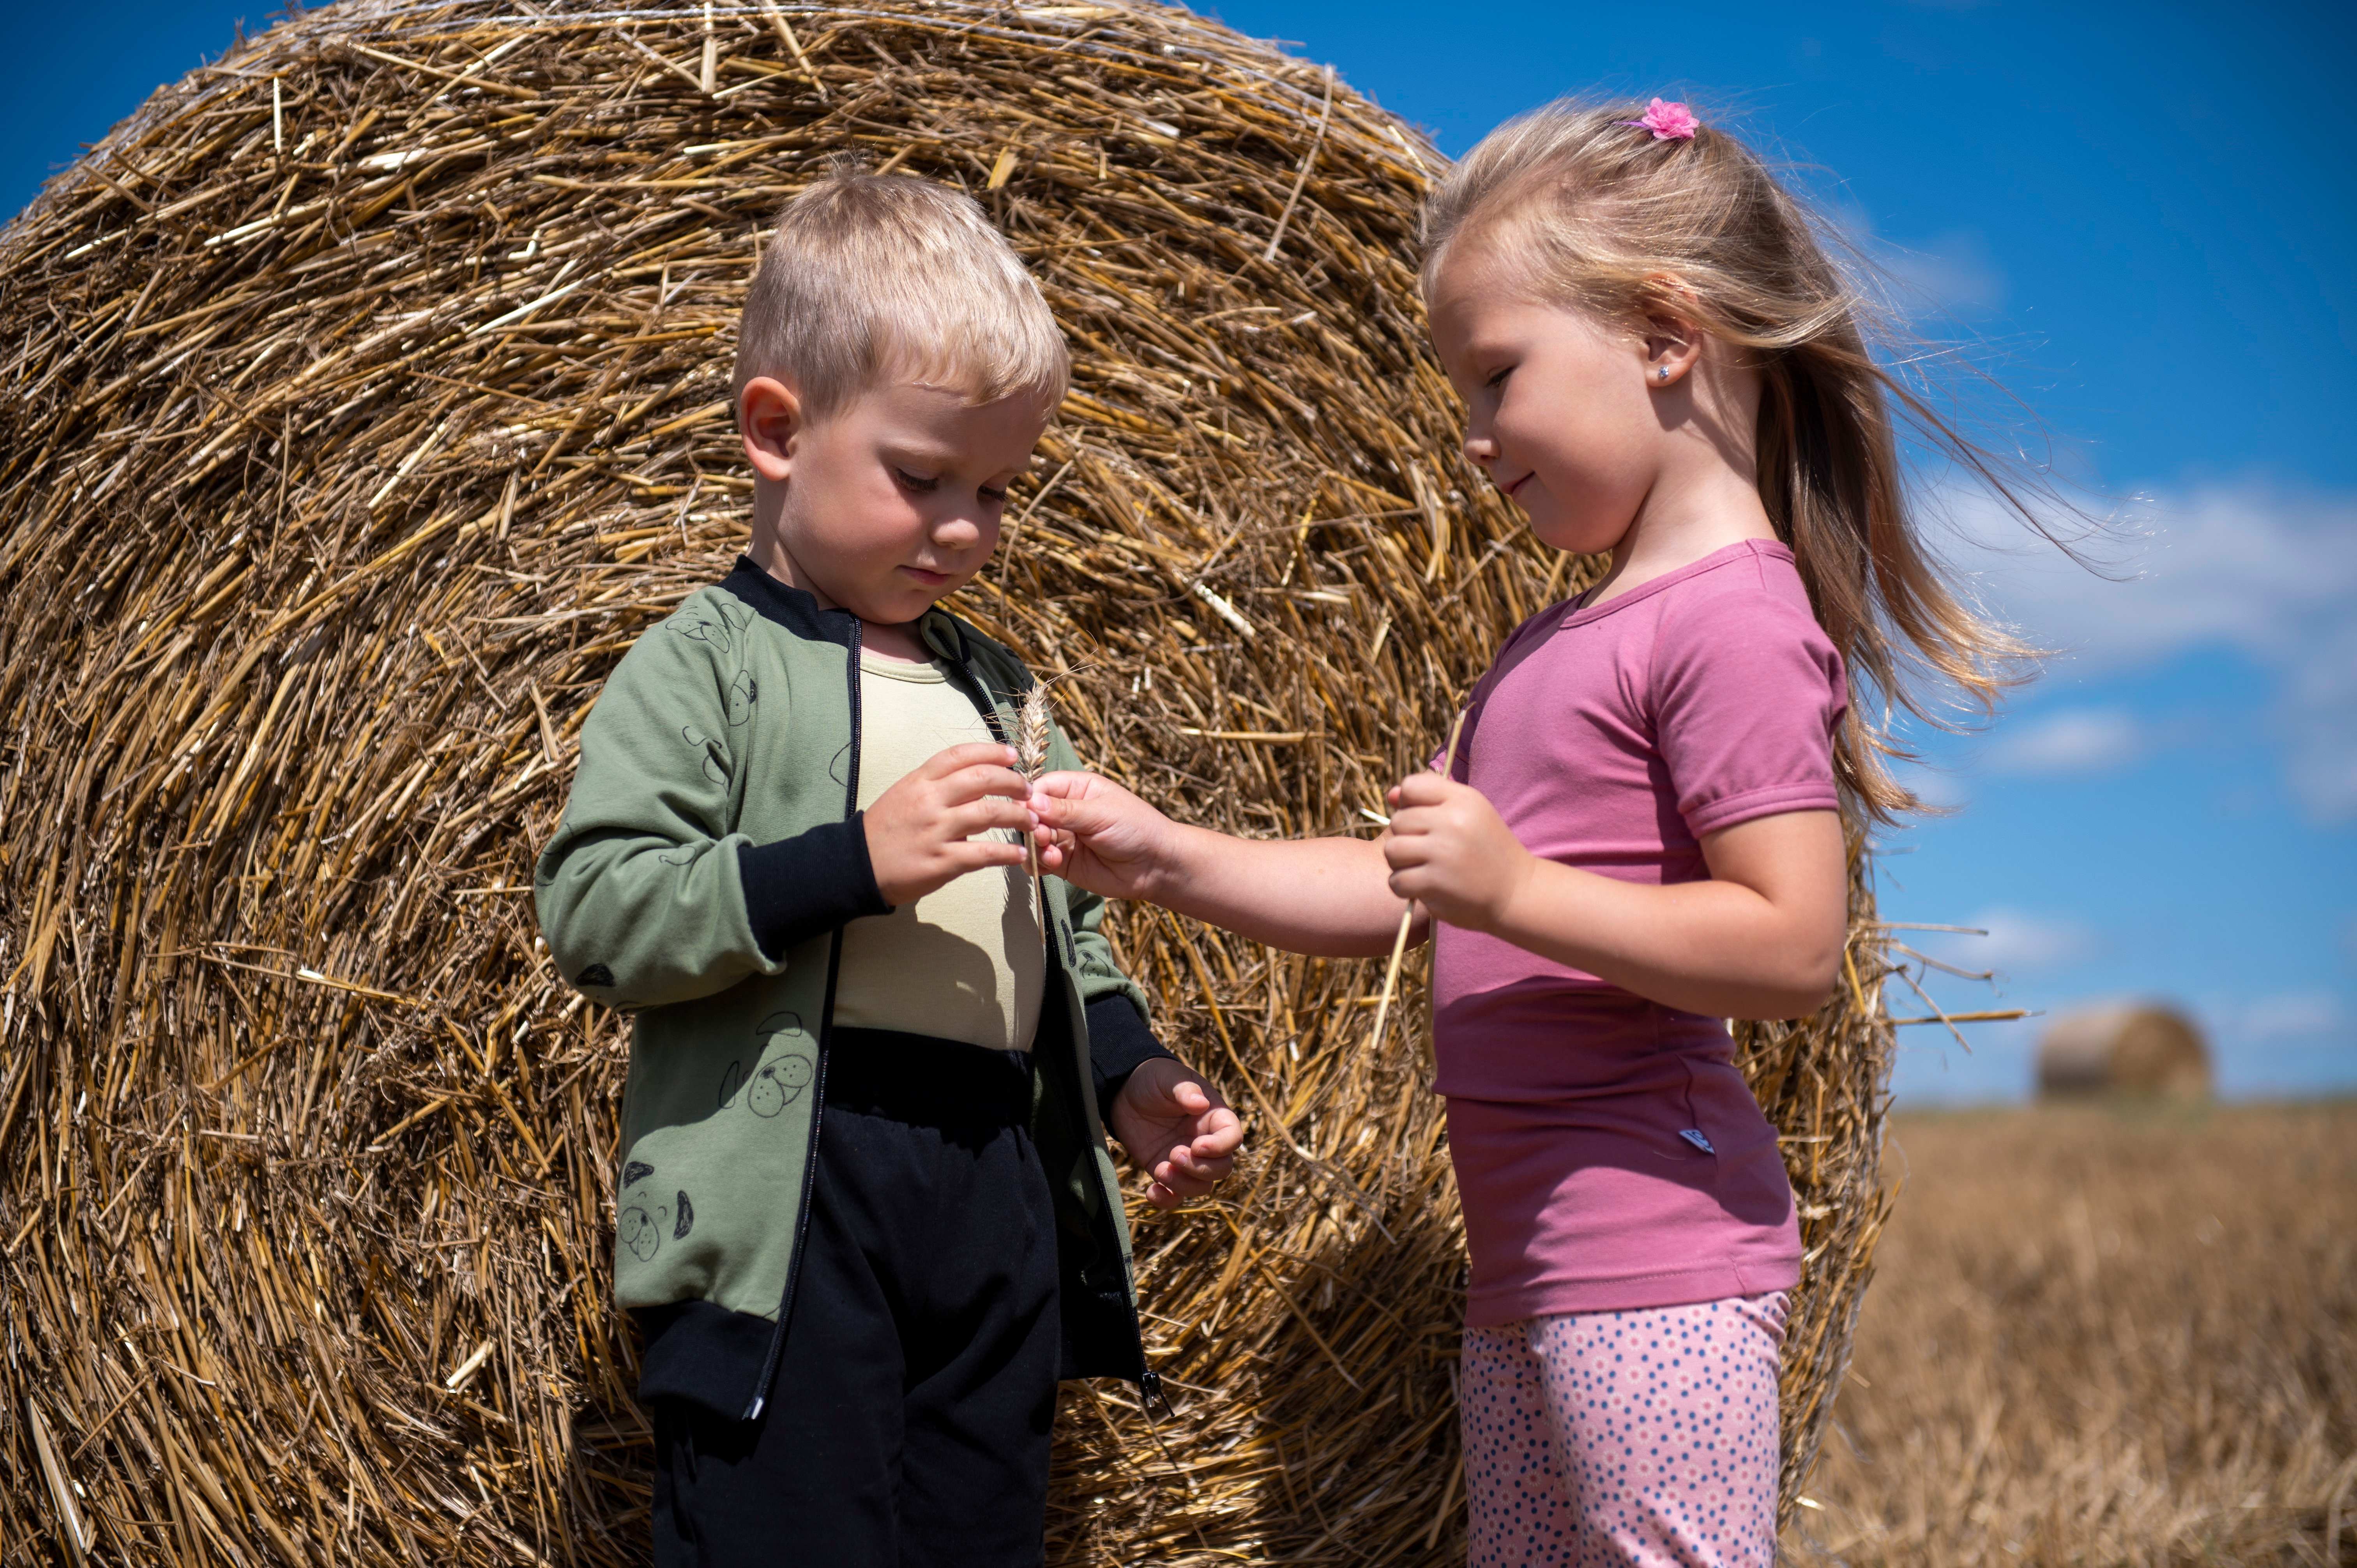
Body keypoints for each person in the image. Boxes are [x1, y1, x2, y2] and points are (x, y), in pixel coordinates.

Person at [1030, 98, 2030, 1567]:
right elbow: (1412, 886)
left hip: (1659, 1267)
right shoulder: (1561, 639)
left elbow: (1791, 943)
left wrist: (1512, 886)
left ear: (1664, 334)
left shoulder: (1735, 620)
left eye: (1498, 377)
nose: (1476, 439)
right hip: (1533, 1279)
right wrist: (1169, 857)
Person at [534, 171, 1243, 1568]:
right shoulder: (712, 660)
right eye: (923, 478)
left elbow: (1066, 934)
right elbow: (599, 909)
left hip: (991, 1189)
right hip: (799, 1199)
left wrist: (1129, 1077)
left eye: (995, 489)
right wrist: (853, 862)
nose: (967, 524)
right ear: (776, 432)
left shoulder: (1001, 684)